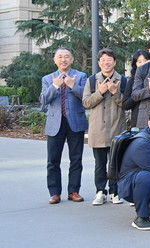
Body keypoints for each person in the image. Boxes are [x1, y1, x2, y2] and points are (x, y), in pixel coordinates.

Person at [41, 47, 88, 204]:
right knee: (53, 160)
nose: (63, 60)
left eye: (67, 56)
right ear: (55, 60)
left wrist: (72, 85)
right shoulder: (48, 79)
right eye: (60, 57)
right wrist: (54, 86)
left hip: (75, 122)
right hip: (55, 123)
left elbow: (86, 98)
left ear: (72, 59)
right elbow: (43, 100)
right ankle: (54, 193)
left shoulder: (80, 76)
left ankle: (74, 191)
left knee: (76, 159)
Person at [82, 48, 126, 205]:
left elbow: (127, 104)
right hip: (98, 129)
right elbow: (86, 103)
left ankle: (115, 192)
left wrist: (115, 93)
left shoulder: (123, 80)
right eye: (103, 60)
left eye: (109, 59)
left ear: (114, 62)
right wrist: (99, 92)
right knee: (99, 164)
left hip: (116, 128)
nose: (106, 62)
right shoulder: (92, 80)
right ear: (99, 62)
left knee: (116, 163)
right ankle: (100, 192)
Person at [123, 49, 150, 130]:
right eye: (139, 62)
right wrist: (138, 94)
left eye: (145, 60)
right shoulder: (132, 81)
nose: (143, 64)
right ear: (135, 65)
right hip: (138, 122)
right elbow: (126, 105)